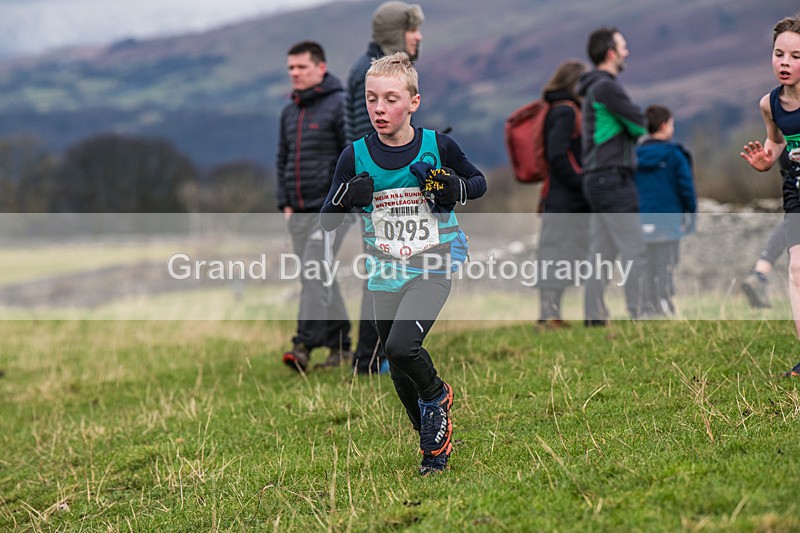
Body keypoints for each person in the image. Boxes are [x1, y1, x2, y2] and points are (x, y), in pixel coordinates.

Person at [321, 53, 487, 475]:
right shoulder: (353, 156)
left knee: (400, 348)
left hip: (433, 265)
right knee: (397, 371)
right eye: (371, 99)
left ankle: (437, 396)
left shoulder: (437, 146)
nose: (379, 108)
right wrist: (347, 197)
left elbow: (478, 183)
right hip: (384, 272)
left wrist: (455, 187)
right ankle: (434, 445)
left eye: (390, 99)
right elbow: (325, 219)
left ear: (413, 102)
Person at [344, 1, 425, 374]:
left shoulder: (376, 70)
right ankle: (370, 358)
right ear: (397, 34)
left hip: (385, 190)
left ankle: (378, 355)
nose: (419, 37)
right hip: (377, 193)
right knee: (381, 272)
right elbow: (371, 139)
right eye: (413, 30)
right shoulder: (371, 73)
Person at [276, 41, 352, 372]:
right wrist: (285, 202)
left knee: (314, 270)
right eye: (291, 68)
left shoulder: (340, 105)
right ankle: (341, 347)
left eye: (301, 67)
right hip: (299, 210)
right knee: (320, 276)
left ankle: (303, 345)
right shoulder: (289, 112)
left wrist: (340, 201)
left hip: (331, 210)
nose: (295, 73)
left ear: (320, 68)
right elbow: (282, 159)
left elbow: (350, 155)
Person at [740, 13, 800, 377]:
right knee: (796, 268)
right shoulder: (770, 104)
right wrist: (767, 158)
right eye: (779, 54)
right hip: (796, 192)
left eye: (796, 56)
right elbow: (776, 141)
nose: (785, 63)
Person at [579, 27, 647, 324]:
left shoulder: (594, 87)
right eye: (623, 46)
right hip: (612, 177)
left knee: (602, 251)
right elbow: (639, 123)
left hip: (596, 178)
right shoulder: (607, 86)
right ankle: (639, 312)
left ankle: (594, 316)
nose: (627, 52)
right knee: (634, 247)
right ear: (611, 53)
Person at [535, 59, 590, 328]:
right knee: (557, 255)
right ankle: (549, 316)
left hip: (560, 196)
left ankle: (551, 314)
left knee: (559, 255)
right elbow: (557, 155)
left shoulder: (558, 109)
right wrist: (581, 183)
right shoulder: (566, 112)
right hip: (565, 198)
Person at [634, 105, 697, 316]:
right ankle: (663, 303)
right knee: (666, 263)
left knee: (644, 265)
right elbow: (686, 187)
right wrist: (691, 213)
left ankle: (644, 307)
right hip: (668, 220)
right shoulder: (675, 154)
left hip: (639, 219)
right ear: (664, 125)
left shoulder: (633, 155)